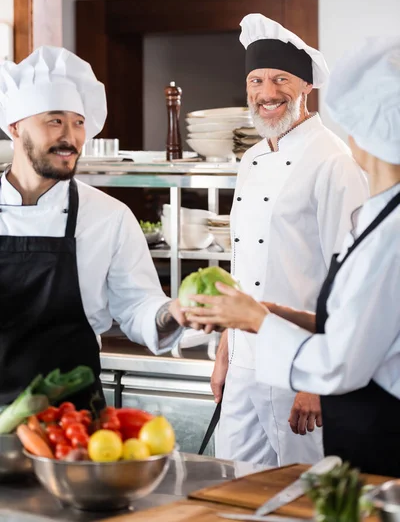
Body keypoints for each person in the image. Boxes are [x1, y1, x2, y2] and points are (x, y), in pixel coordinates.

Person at [184, 37, 400, 477]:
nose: (267, 92)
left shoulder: (334, 161)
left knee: (298, 494)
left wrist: (315, 386)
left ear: (306, 87)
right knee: (237, 488)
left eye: (280, 79)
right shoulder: (251, 159)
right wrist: (230, 342)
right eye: (256, 80)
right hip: (250, 360)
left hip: (302, 370)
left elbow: (345, 289)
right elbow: (244, 262)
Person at [0, 46, 185, 409]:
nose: (71, 137)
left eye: (79, 122)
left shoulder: (108, 216)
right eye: (55, 120)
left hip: (74, 420)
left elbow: (138, 307)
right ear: (15, 126)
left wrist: (173, 313)